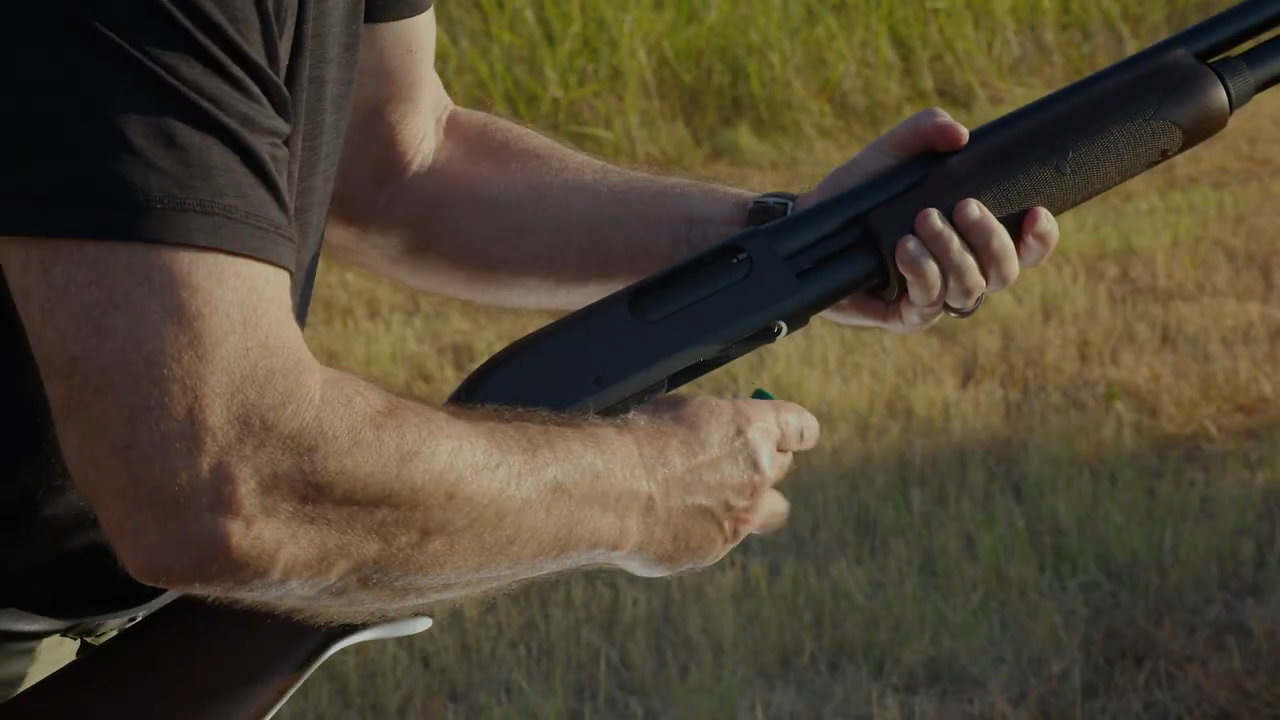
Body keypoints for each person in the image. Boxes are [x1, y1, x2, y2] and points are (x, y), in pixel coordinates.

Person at [0, 0, 1060, 701]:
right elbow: (217, 482)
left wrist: (792, 240)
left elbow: (398, 159)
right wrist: (641, 489)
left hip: (107, 616)